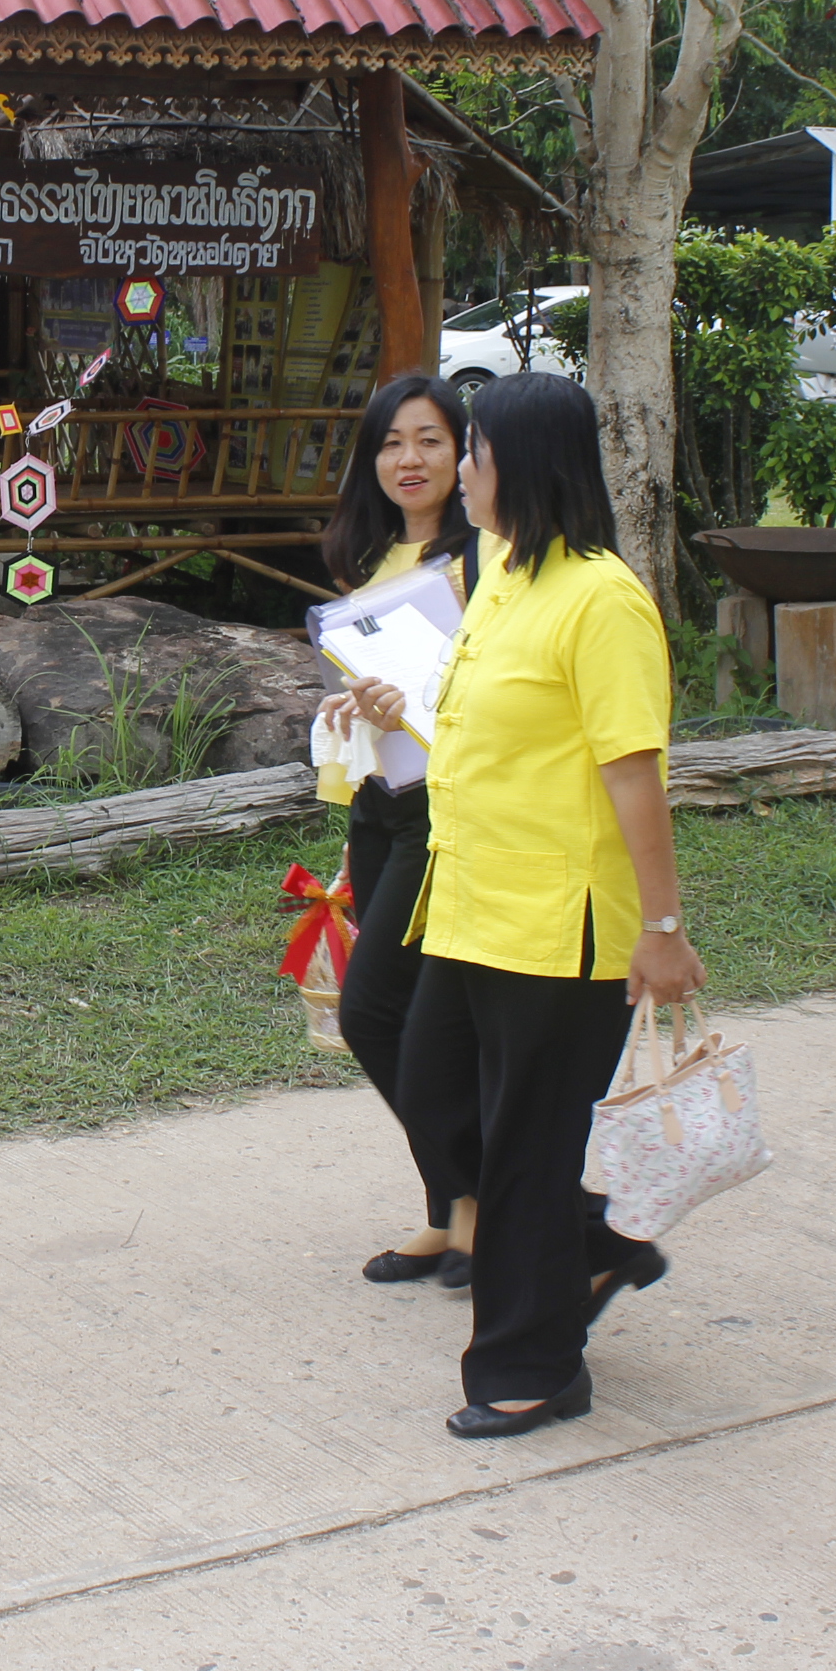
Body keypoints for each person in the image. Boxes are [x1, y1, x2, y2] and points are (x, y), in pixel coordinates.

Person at [340, 375, 701, 1439]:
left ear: (524, 467)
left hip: (559, 922)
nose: (462, 472)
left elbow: (634, 773)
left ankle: (533, 1364)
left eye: (476, 453)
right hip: (470, 902)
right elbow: (487, 735)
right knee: (437, 1084)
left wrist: (663, 928)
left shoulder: (601, 599)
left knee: (527, 1149)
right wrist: (402, 713)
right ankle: (594, 1244)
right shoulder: (502, 578)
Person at [311, 372, 479, 1290]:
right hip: (379, 804)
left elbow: (477, 697)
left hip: (443, 807)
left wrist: (407, 698)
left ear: (464, 455)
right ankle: (449, 1209)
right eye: (390, 443)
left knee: (380, 1012)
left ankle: (474, 1204)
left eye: (429, 441)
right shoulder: (368, 561)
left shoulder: (482, 562)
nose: (408, 460)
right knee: (403, 1018)